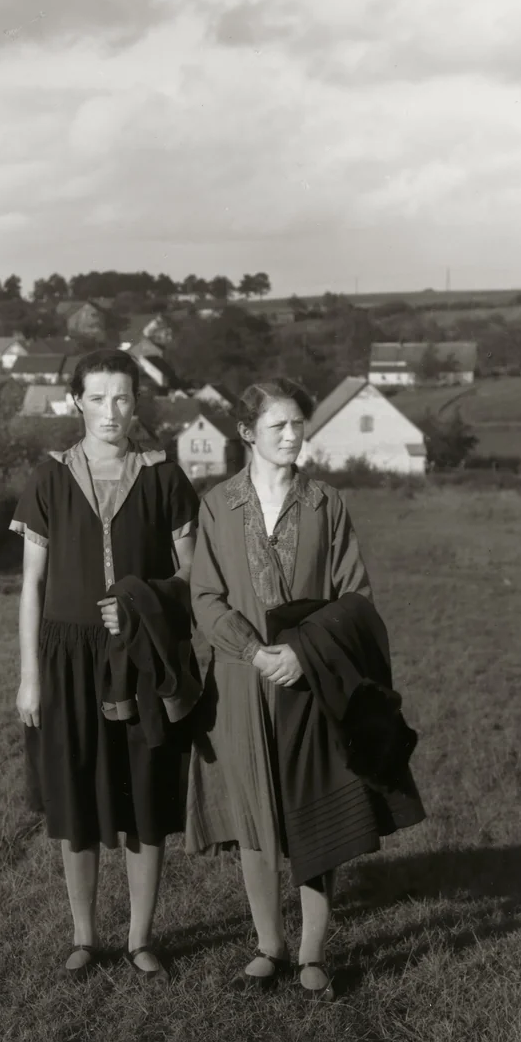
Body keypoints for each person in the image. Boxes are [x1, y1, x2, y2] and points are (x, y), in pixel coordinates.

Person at [186, 377, 425, 999]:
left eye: (299, 424)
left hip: (312, 682)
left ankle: (313, 951)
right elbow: (205, 597)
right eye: (279, 427)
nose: (294, 436)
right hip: (240, 688)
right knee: (255, 816)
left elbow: (355, 597)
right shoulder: (216, 506)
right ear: (246, 434)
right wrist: (254, 652)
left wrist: (301, 652)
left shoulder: (327, 503)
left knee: (317, 813)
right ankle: (269, 946)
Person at [12, 349, 199, 982]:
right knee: (78, 799)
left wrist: (144, 607)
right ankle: (86, 936)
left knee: (144, 795)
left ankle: (142, 937)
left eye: (122, 398)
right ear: (76, 403)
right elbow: (32, 587)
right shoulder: (50, 477)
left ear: (135, 404)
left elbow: (192, 577)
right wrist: (30, 676)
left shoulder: (164, 477)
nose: (111, 411)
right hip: (67, 659)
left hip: (142, 659)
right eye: (98, 398)